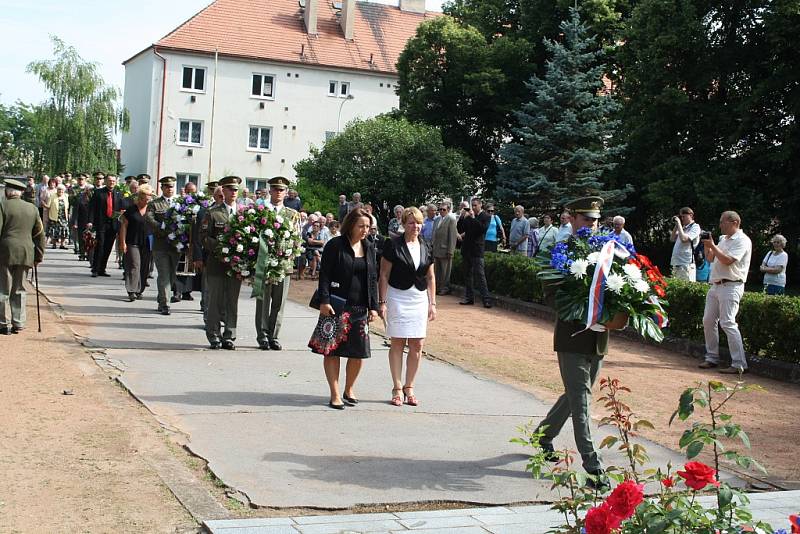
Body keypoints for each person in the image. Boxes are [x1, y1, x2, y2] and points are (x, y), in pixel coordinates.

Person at [535, 196, 609, 489]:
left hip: (598, 337)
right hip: (573, 337)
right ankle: (593, 466)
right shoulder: (560, 252)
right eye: (585, 219)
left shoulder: (607, 252)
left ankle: (542, 437)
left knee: (575, 394)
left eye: (594, 220)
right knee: (581, 401)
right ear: (573, 219)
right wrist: (581, 309)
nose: (590, 225)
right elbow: (551, 295)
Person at [314, 208, 379, 409]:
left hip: (360, 307)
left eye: (368, 227)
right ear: (350, 225)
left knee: (358, 352)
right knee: (332, 351)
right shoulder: (335, 245)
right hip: (336, 305)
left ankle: (349, 388)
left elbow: (372, 279)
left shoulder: (369, 247)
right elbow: (324, 275)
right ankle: (334, 393)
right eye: (361, 226)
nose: (365, 230)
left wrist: (374, 306)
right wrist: (324, 301)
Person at [379, 207, 436, 407]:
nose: (416, 226)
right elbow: (384, 275)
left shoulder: (427, 245)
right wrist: (383, 302)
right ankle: (396, 386)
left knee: (417, 344)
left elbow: (430, 276)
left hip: (419, 298)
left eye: (419, 223)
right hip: (397, 297)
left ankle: (409, 386)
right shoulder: (392, 244)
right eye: (411, 223)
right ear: (404, 224)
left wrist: (433, 303)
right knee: (398, 342)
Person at [698, 211, 752, 374]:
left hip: (731, 285)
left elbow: (728, 261)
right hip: (716, 285)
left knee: (728, 322)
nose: (720, 225)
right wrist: (708, 246)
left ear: (734, 222)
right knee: (708, 320)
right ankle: (712, 358)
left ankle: (739, 364)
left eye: (723, 222)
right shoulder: (723, 239)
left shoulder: (742, 240)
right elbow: (709, 259)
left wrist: (712, 245)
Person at [253, 176, 300, 351]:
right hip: (264, 263)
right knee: (263, 301)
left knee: (279, 303)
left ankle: (274, 335)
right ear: (270, 191)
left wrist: (289, 257)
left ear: (286, 193)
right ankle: (263, 335)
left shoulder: (292, 214)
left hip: (283, 264)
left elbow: (297, 240)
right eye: (275, 189)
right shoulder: (260, 210)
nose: (278, 192)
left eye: (282, 190)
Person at [198, 176, 243, 350]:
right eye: (230, 189)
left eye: (235, 189)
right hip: (216, 263)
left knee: (232, 301)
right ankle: (214, 335)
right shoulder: (213, 212)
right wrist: (223, 247)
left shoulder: (245, 213)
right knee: (215, 301)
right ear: (222, 191)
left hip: (236, 265)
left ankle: (229, 335)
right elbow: (203, 237)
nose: (233, 192)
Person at [0, 179, 46, 334]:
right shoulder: (32, 208)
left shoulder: (2, 205)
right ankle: (18, 322)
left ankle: (3, 323)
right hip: (26, 252)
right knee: (19, 288)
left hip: (5, 251)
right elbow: (40, 234)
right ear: (20, 193)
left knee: (3, 288)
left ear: (7, 191)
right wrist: (39, 255)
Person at [146, 176, 180, 315]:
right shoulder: (155, 204)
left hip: (176, 245)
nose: (169, 189)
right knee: (164, 275)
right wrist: (161, 228)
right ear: (162, 188)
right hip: (160, 245)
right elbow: (149, 218)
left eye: (171, 186)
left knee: (172, 276)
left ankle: (161, 298)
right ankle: (165, 304)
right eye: (166, 186)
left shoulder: (179, 203)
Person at [119, 185, 154, 301]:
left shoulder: (151, 210)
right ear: (140, 198)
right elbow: (124, 226)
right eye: (145, 198)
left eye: (149, 198)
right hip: (132, 241)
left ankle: (140, 289)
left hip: (147, 242)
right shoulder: (131, 210)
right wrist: (122, 242)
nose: (147, 201)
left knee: (144, 267)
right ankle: (131, 290)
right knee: (134, 265)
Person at [457, 198, 492, 308]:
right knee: (467, 275)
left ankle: (486, 299)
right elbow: (460, 229)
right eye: (472, 205)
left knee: (480, 276)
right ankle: (469, 297)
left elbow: (481, 229)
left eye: (475, 205)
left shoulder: (486, 217)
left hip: (477, 250)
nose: (473, 207)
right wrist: (462, 217)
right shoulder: (468, 216)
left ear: (480, 205)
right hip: (467, 249)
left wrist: (472, 218)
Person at [87, 174, 121, 277]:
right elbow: (92, 208)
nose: (111, 183)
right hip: (101, 223)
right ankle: (95, 269)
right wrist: (90, 221)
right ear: (105, 181)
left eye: (113, 181)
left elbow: (120, 209)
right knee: (100, 245)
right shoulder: (98, 193)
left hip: (113, 224)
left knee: (108, 247)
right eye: (110, 181)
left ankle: (102, 268)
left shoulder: (119, 194)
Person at [431, 201, 457, 295]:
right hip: (436, 249)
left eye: (444, 209)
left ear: (448, 210)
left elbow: (452, 236)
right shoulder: (437, 219)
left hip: (445, 249)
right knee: (436, 271)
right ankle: (437, 288)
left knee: (445, 271)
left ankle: (444, 288)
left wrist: (450, 251)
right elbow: (434, 234)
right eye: (440, 209)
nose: (441, 211)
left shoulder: (451, 220)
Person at [670, 207, 701, 281]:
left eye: (684, 216)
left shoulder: (695, 227)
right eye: (681, 217)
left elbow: (684, 239)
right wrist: (676, 225)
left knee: (686, 289)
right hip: (676, 263)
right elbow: (672, 238)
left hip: (686, 264)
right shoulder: (683, 228)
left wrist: (679, 224)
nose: (682, 218)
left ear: (690, 215)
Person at [47, 184, 70, 249]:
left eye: (62, 190)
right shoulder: (52, 196)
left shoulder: (66, 196)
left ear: (64, 190)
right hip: (54, 216)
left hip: (63, 217)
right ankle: (54, 244)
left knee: (64, 230)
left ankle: (62, 244)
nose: (60, 191)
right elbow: (48, 206)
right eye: (59, 189)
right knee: (54, 231)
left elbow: (67, 207)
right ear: (57, 190)